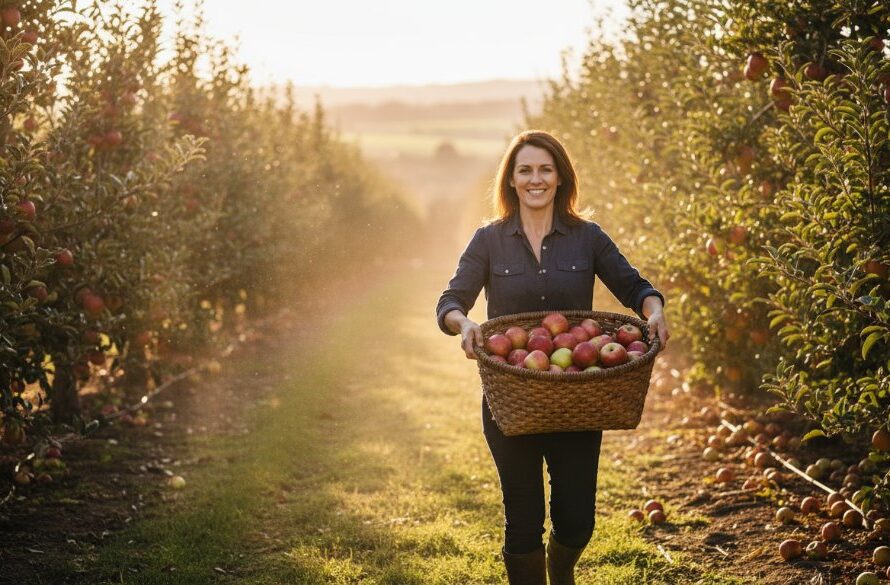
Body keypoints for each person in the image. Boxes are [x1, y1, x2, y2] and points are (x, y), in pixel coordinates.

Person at [435, 130, 670, 585]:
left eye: (545, 169)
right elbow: (450, 300)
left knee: (577, 518)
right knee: (522, 517)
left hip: (578, 399)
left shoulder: (588, 238)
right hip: (512, 399)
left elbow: (635, 286)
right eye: (525, 170)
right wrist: (464, 324)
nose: (535, 179)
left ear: (560, 177)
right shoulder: (488, 240)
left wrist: (654, 309)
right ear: (511, 180)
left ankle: (561, 573)